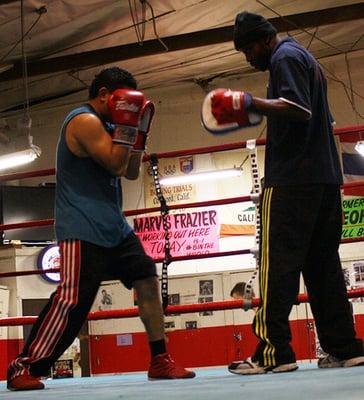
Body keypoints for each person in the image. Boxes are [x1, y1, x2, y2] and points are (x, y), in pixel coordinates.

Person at [7, 67, 195, 391]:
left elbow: (132, 172)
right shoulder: (83, 121)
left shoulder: (111, 124)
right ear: (106, 94)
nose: (127, 108)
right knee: (72, 302)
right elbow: (114, 164)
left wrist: (140, 133)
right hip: (81, 226)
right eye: (123, 101)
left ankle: (159, 359)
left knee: (147, 278)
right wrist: (127, 126)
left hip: (114, 226)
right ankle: (23, 366)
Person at [205, 11, 364, 374]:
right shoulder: (303, 56)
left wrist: (249, 103)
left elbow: (298, 108)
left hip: (293, 181)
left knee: (276, 265)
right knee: (322, 266)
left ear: (263, 40)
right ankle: (345, 346)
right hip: (323, 180)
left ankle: (273, 351)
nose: (249, 57)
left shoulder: (284, 57)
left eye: (248, 50)